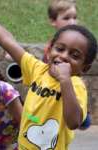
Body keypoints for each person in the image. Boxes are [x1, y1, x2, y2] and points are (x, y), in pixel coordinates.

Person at [0, 0, 97, 149]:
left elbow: (74, 123)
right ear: (49, 51)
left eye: (74, 56)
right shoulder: (37, 69)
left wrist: (65, 81)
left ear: (84, 68)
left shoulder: (75, 86)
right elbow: (6, 40)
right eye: (60, 49)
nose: (63, 56)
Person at [43, 0, 91, 130]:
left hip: (73, 92)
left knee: (80, 120)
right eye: (66, 18)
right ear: (53, 21)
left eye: (74, 17)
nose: (72, 22)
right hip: (54, 95)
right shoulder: (50, 48)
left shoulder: (81, 40)